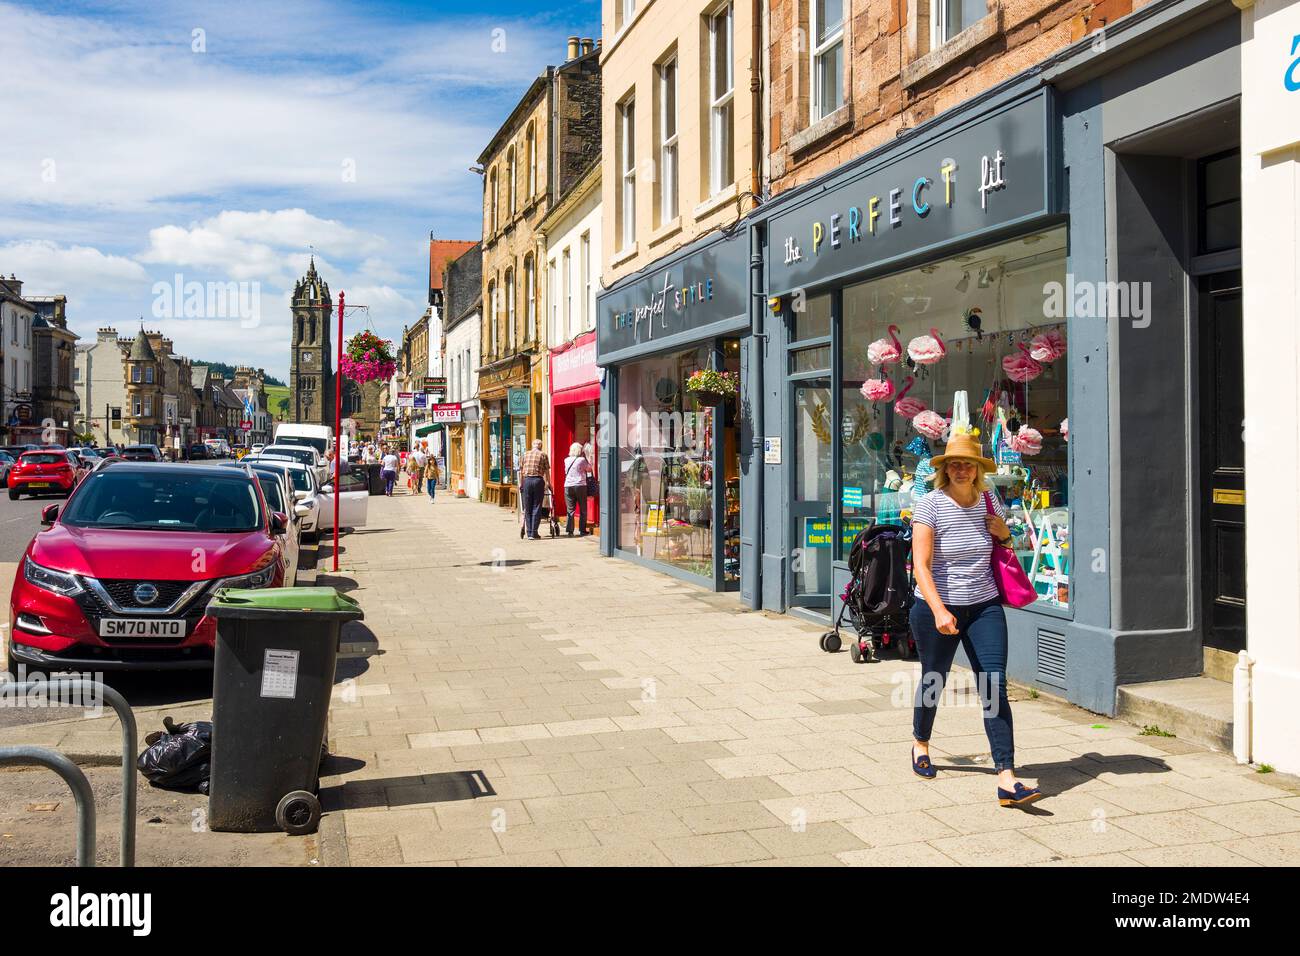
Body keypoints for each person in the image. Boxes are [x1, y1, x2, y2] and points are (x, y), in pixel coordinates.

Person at [908, 430, 1042, 808]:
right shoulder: (930, 505)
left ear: (978, 469)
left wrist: (1004, 535)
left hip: (984, 605)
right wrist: (938, 610)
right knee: (934, 679)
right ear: (945, 469)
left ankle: (1007, 778)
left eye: (968, 464)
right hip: (937, 606)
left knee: (994, 686)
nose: (961, 469)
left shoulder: (989, 499)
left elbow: (1004, 547)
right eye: (954, 464)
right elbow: (921, 564)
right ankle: (920, 743)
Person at [517, 438, 551, 540]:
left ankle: (529, 532)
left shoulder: (525, 454)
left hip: (527, 481)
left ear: (532, 446)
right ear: (540, 446)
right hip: (538, 481)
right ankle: (534, 532)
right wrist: (549, 483)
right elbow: (546, 472)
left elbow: (521, 470)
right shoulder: (543, 455)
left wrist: (521, 483)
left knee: (528, 506)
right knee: (537, 506)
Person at [561, 441, 591, 536]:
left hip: (568, 486)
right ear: (579, 451)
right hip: (580, 485)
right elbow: (589, 469)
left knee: (570, 509)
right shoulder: (582, 459)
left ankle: (570, 531)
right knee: (583, 509)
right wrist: (587, 458)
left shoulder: (566, 460)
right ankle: (582, 530)